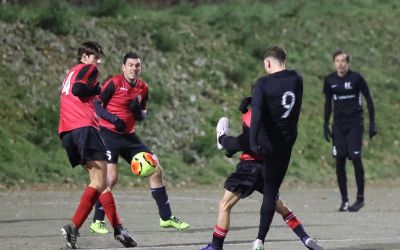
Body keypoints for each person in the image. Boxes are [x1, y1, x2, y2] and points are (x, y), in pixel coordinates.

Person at [200, 97, 323, 250]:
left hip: (248, 168)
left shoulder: (251, 116)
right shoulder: (277, 119)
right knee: (281, 207)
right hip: (267, 169)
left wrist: (227, 142)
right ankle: (304, 237)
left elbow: (250, 142)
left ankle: (216, 246)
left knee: (224, 205)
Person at [90, 52, 189, 234]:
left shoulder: (143, 88)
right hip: (108, 134)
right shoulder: (114, 83)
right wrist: (113, 119)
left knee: (156, 169)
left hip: (129, 136)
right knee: (110, 178)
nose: (134, 69)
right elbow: (96, 105)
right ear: (123, 67)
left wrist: (137, 112)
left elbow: (143, 114)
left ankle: (166, 218)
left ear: (140, 68)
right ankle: (97, 221)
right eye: (131, 65)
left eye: (137, 66)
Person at [58, 41, 136, 249]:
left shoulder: (71, 72)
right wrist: (98, 88)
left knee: (99, 182)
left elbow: (73, 90)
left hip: (67, 131)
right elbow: (79, 89)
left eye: (99, 58)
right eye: (94, 57)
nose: (98, 62)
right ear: (84, 57)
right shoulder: (88, 69)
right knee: (100, 181)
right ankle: (73, 227)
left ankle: (118, 228)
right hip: (84, 128)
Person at [249, 46, 303, 249]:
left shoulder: (262, 84)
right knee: (271, 191)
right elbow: (282, 102)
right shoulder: (297, 79)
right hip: (286, 145)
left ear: (268, 63)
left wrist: (254, 142)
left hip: (266, 143)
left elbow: (257, 116)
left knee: (261, 183)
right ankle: (259, 239)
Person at [323, 49, 377, 212]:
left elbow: (369, 99)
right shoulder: (330, 80)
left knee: (355, 157)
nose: (340, 64)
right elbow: (327, 103)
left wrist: (372, 123)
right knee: (339, 159)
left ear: (348, 63)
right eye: (337, 61)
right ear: (334, 63)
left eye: (343, 61)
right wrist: (325, 124)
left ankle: (360, 199)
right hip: (338, 125)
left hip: (355, 123)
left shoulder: (356, 78)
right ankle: (344, 200)